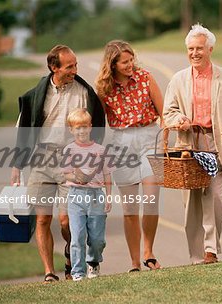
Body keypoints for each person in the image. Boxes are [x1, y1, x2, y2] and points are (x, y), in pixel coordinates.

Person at [10, 45, 105, 283]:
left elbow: (97, 128)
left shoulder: (84, 92)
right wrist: (17, 166)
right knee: (42, 219)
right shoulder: (36, 94)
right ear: (54, 67)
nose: (75, 69)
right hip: (41, 159)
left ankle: (71, 256)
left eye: (75, 64)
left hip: (72, 160)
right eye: (69, 66)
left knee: (67, 220)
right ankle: (49, 273)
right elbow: (23, 130)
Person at [163, 24, 222, 264]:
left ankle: (211, 248)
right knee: (192, 203)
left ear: (210, 49)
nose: (194, 53)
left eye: (199, 48)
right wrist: (178, 119)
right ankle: (198, 255)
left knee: (216, 199)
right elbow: (168, 111)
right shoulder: (178, 80)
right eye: (190, 48)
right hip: (189, 145)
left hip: (215, 143)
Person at [95, 40, 163, 272]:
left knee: (152, 199)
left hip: (149, 138)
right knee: (130, 209)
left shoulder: (146, 77)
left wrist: (166, 141)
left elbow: (164, 113)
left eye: (131, 59)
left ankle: (148, 251)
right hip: (121, 143)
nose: (130, 64)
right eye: (125, 62)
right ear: (112, 64)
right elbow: (98, 124)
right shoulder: (104, 88)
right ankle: (135, 261)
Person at [62, 108, 112, 281]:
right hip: (76, 196)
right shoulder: (69, 149)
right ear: (71, 130)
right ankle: (78, 272)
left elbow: (107, 174)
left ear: (90, 127)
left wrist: (109, 196)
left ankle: (94, 262)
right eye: (77, 128)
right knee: (77, 237)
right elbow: (66, 173)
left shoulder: (100, 149)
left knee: (97, 239)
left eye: (84, 127)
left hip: (96, 195)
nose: (81, 131)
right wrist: (76, 176)